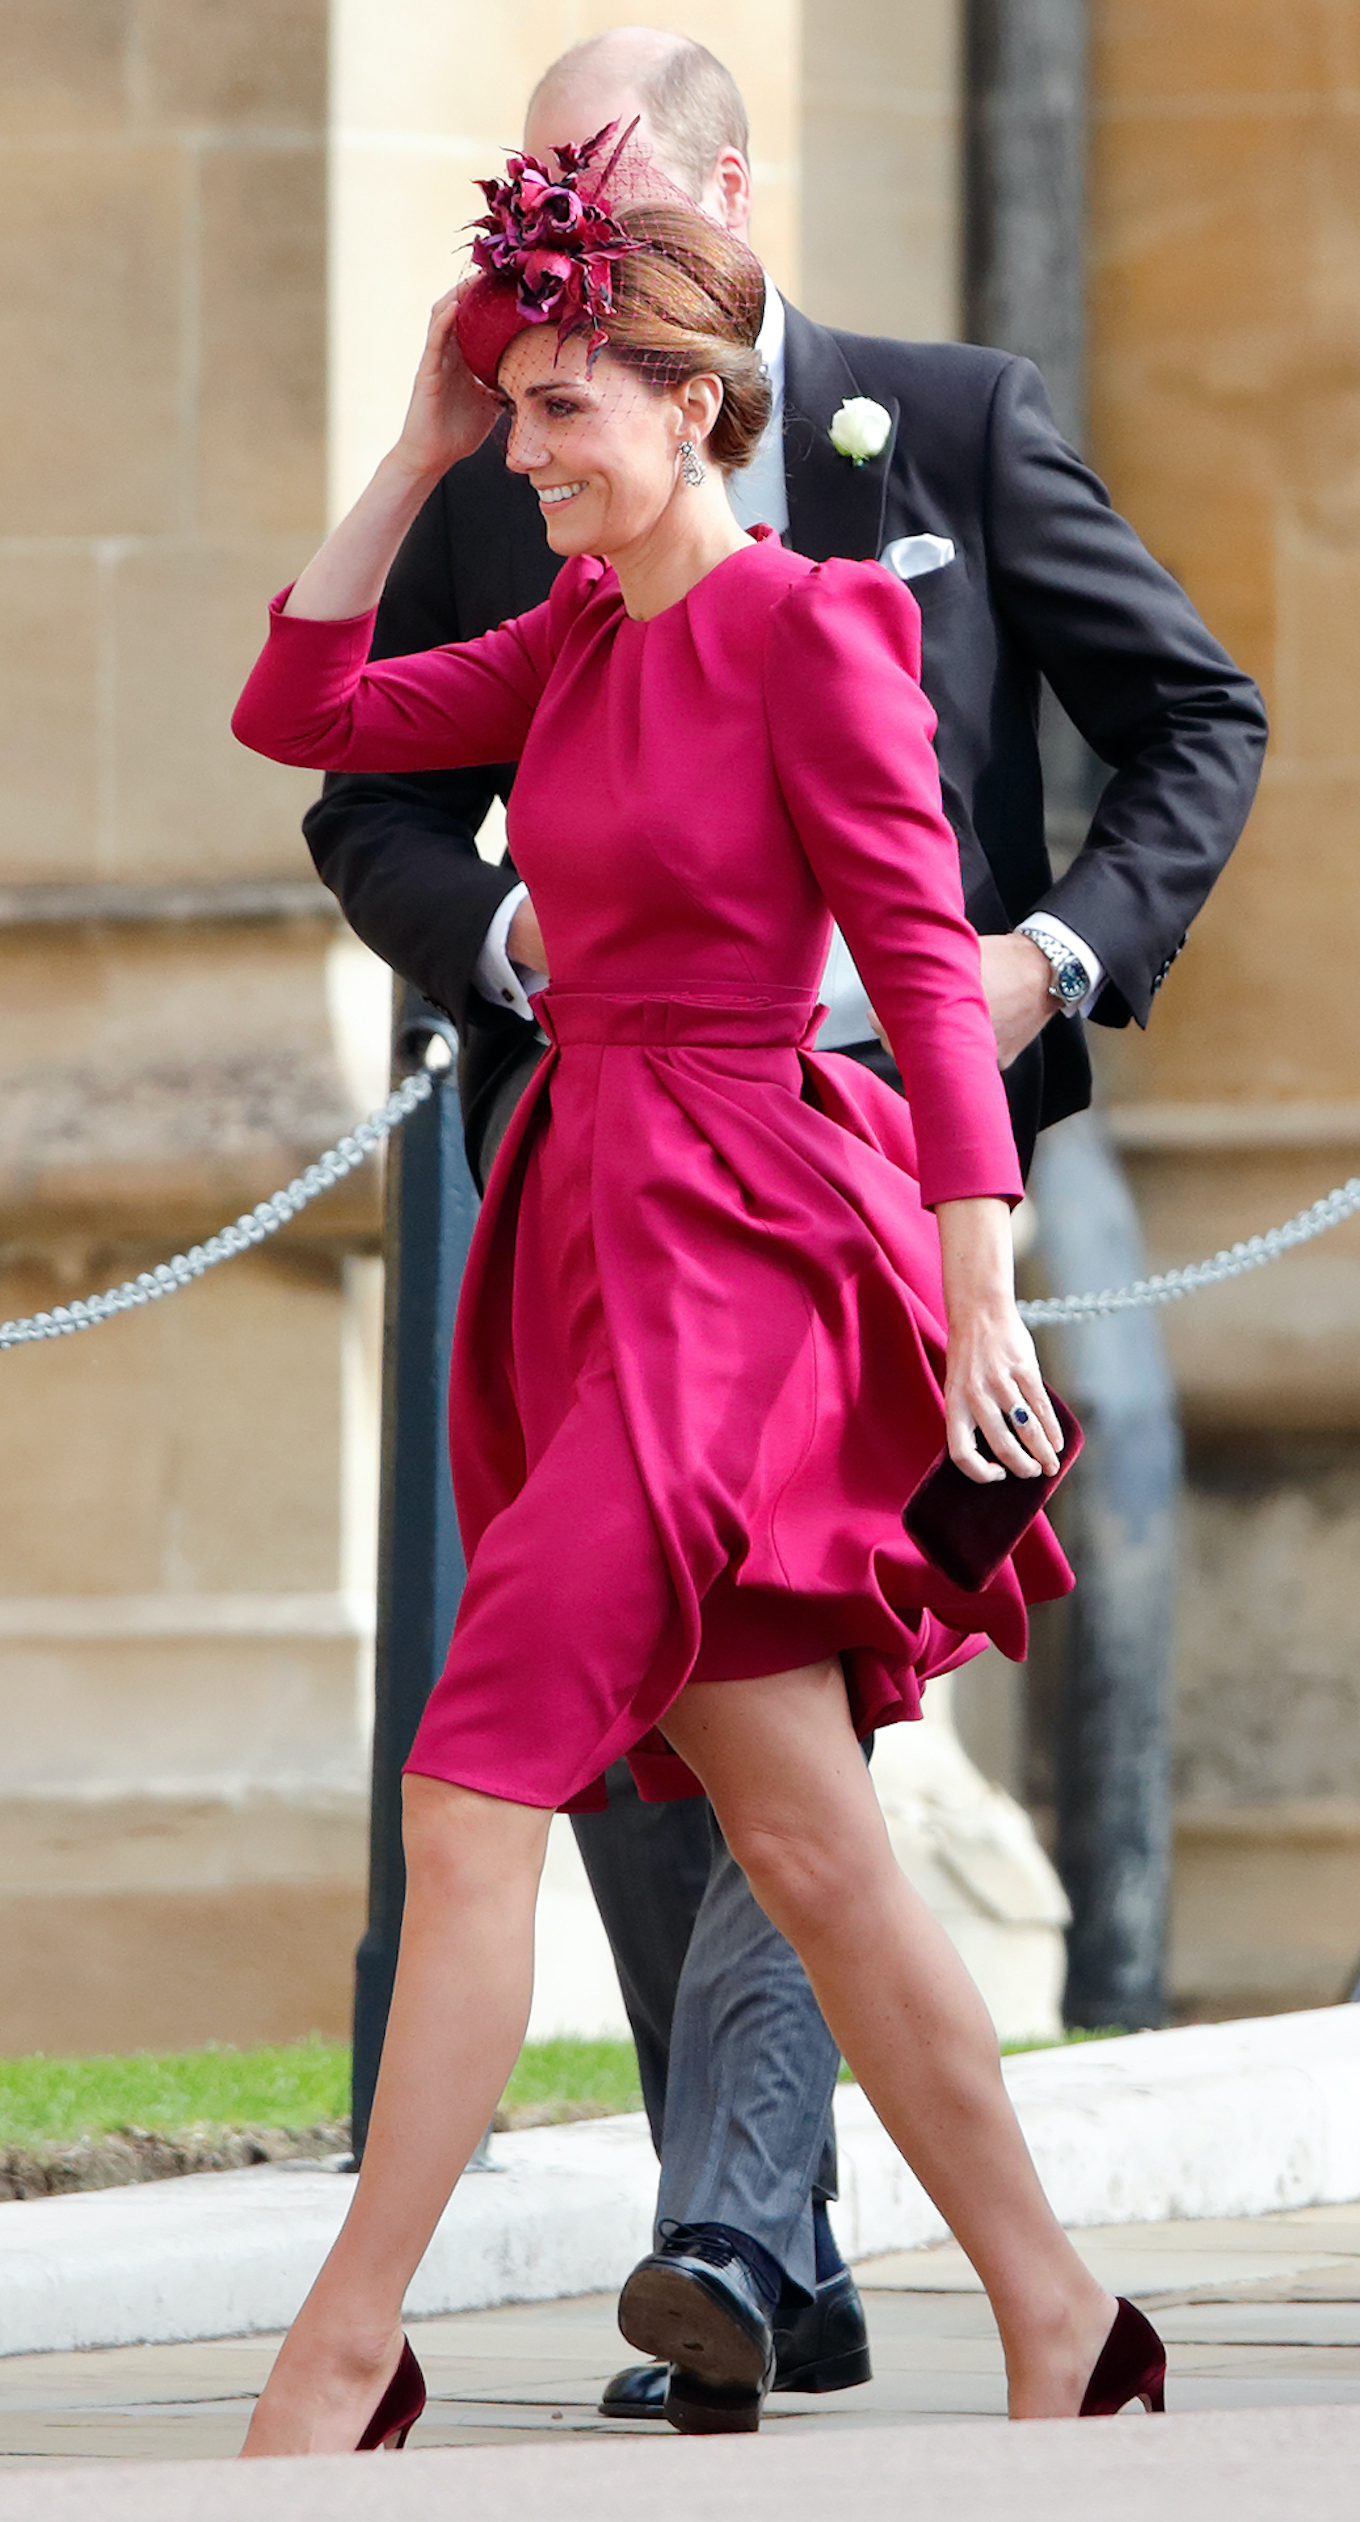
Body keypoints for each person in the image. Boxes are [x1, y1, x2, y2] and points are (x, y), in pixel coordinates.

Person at [300, 29, 1266, 2434]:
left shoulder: (937, 433)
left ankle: (562, 2279)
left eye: (591, 197)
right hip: (587, 1197)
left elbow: (1170, 739)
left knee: (507, 1765)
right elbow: (340, 769)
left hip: (828, 1211)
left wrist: (1028, 1062)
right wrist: (521, 949)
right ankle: (1047, 2310)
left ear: (714, 207)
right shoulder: (538, 527)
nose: (543, 257)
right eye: (527, 199)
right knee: (793, 1819)